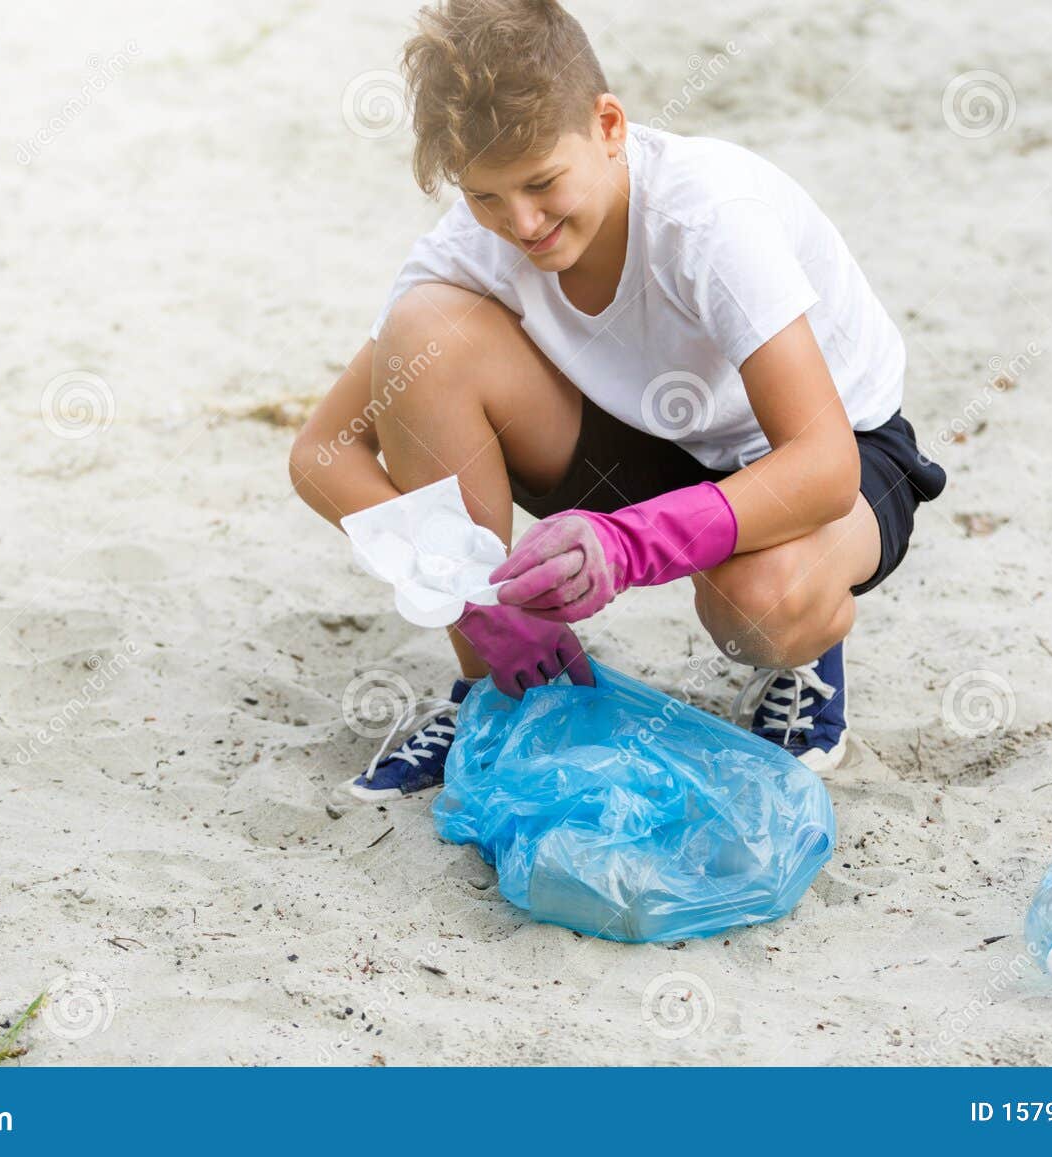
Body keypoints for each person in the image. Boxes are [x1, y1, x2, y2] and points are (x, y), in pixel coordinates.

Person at [289, 0, 946, 801]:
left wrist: (630, 544)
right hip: (640, 439)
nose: (521, 223)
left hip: (823, 456)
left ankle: (803, 661)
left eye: (542, 183)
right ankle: (495, 693)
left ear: (608, 126)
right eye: (486, 196)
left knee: (761, 606)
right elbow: (322, 454)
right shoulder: (478, 242)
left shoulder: (708, 217)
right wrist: (475, 602)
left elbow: (824, 465)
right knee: (427, 329)